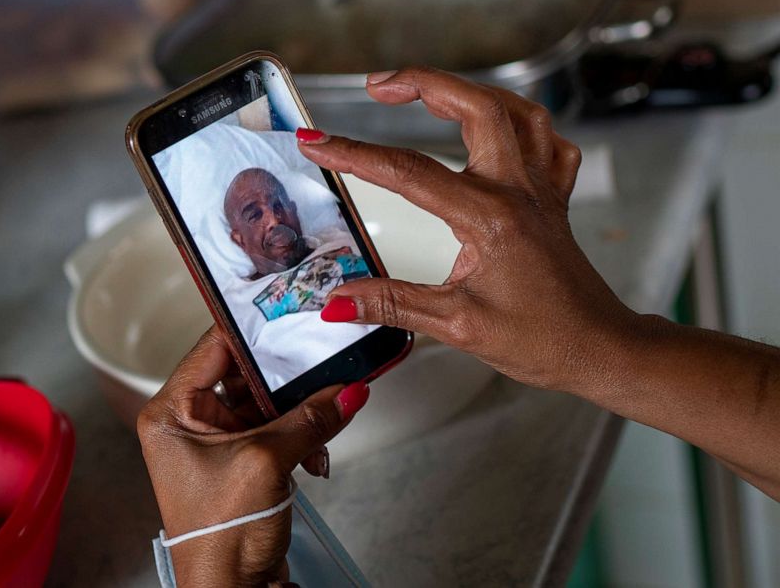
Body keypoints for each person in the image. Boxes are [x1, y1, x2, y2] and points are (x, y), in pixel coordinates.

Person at [137, 67, 780, 586]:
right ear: (233, 238)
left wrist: (209, 573)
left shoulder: (334, 240)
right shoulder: (249, 301)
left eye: (279, 199)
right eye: (254, 211)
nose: (275, 214)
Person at [221, 167, 372, 390]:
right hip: (317, 390)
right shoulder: (234, 303)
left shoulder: (341, 236)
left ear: (293, 210)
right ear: (239, 239)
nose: (274, 219)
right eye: (254, 215)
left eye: (279, 205)